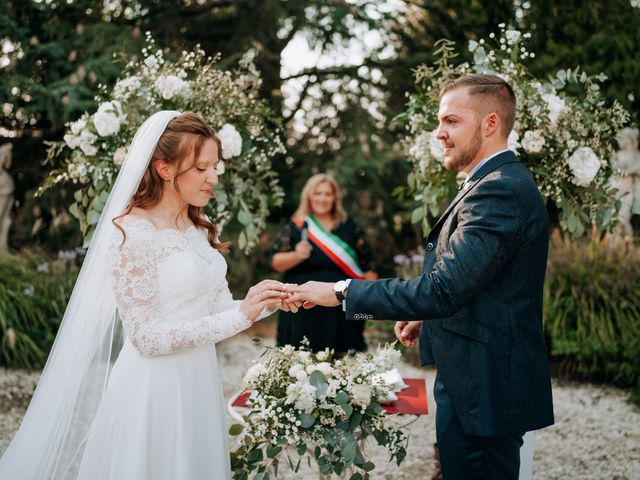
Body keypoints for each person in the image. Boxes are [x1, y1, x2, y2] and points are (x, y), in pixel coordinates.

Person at [285, 74, 555, 480]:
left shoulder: (500, 189)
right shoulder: (486, 183)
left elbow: (443, 288)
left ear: (491, 123)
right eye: (440, 122)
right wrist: (428, 314)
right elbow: (472, 282)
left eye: (451, 121)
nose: (439, 133)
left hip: (487, 384)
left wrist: (341, 293)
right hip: (472, 379)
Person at [0, 111, 289, 479]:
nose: (214, 177)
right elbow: (146, 337)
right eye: (201, 168)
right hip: (154, 389)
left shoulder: (196, 229)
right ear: (165, 169)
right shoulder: (133, 232)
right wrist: (242, 315)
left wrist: (263, 303)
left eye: (216, 166)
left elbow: (216, 310)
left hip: (198, 381)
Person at [269, 173, 376, 354]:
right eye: (317, 193)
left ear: (335, 197)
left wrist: (370, 306)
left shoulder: (348, 224)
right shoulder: (297, 225)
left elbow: (368, 266)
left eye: (328, 194)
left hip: (340, 306)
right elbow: (275, 262)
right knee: (300, 362)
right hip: (303, 307)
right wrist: (296, 255)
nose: (323, 199)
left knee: (342, 364)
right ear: (309, 196)